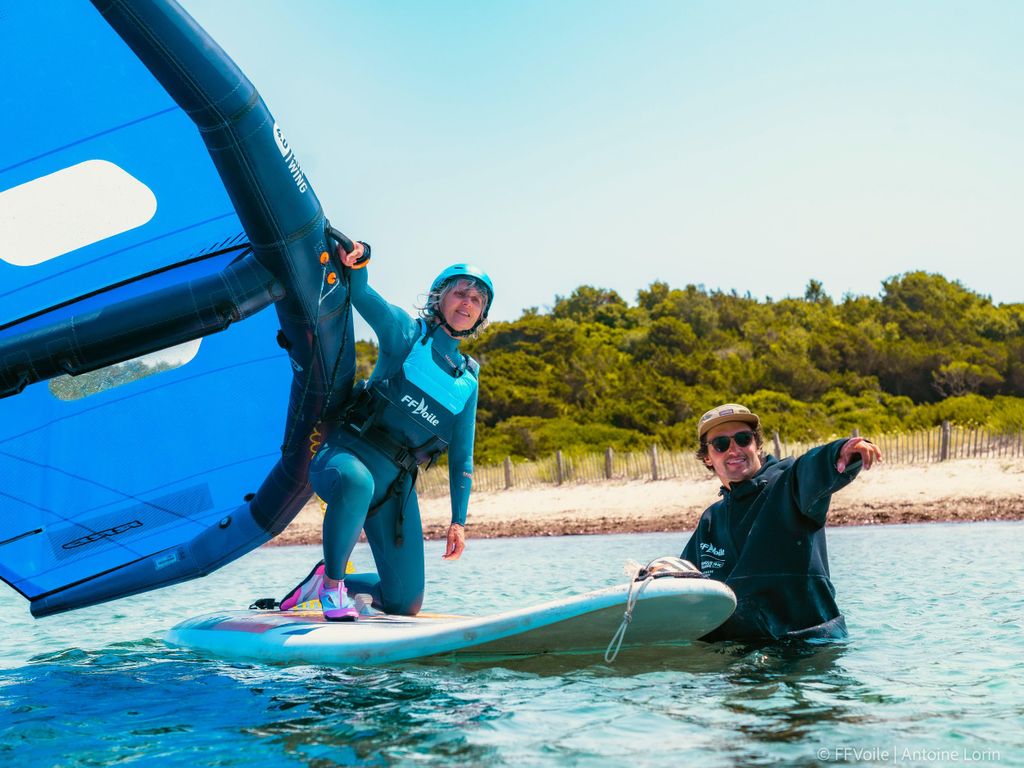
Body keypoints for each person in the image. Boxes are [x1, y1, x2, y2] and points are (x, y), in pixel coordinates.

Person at [306, 243, 492, 621]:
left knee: (405, 604)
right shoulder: (407, 334)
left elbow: (462, 457)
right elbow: (362, 295)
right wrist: (359, 261)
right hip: (346, 458)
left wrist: (459, 521)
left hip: (395, 487)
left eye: (477, 298)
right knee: (357, 483)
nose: (467, 302)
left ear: (482, 314)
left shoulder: (468, 380)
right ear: (439, 297)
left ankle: (323, 579)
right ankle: (331, 588)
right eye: (460, 291)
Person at [679, 403, 883, 642]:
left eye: (743, 439)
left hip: (808, 646)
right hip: (745, 651)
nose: (734, 450)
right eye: (721, 444)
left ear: (756, 444)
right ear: (707, 457)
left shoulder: (788, 485)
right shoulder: (711, 521)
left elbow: (811, 469)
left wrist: (839, 452)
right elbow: (682, 579)